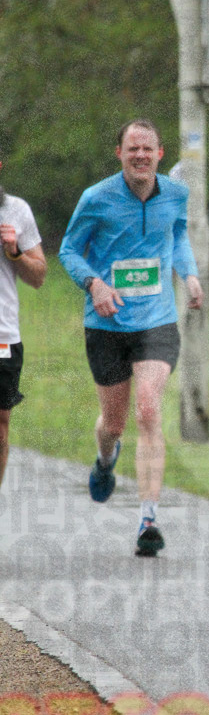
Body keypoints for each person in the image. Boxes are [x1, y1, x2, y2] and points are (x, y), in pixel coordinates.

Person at [59, 119, 203, 557]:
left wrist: (189, 274)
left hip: (156, 321)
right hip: (107, 324)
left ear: (160, 154)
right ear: (119, 153)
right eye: (132, 148)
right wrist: (94, 285)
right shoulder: (96, 198)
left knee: (148, 410)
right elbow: (68, 249)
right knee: (114, 424)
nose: (140, 155)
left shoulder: (175, 194)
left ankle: (148, 519)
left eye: (147, 148)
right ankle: (106, 459)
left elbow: (176, 233)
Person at [0, 161, 47, 489]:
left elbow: (39, 276)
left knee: (1, 426)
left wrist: (15, 253)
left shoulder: (16, 210)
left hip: (2, 337)